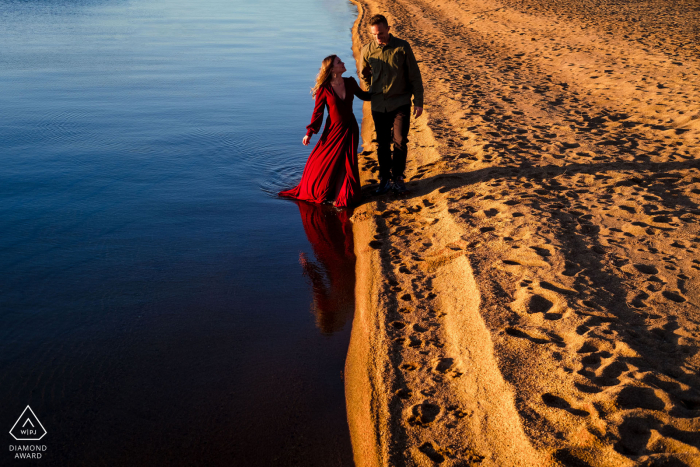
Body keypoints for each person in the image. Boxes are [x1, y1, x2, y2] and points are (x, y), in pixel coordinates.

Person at [279, 55, 372, 208]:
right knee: (322, 159)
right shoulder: (324, 89)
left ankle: (340, 196)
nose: (343, 63)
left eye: (341, 61)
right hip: (333, 131)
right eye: (339, 62)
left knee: (346, 161)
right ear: (332, 69)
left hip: (350, 127)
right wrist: (310, 132)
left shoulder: (350, 82)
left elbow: (364, 96)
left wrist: (382, 88)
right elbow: (318, 113)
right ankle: (321, 189)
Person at [361, 14, 424, 195]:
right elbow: (364, 74)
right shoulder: (367, 50)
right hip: (379, 105)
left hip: (401, 102)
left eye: (380, 33)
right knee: (382, 143)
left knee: (400, 141)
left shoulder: (402, 47)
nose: (378, 38)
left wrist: (418, 102)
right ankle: (384, 179)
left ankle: (398, 178)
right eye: (374, 35)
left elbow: (415, 76)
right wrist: (371, 89)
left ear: (388, 29)